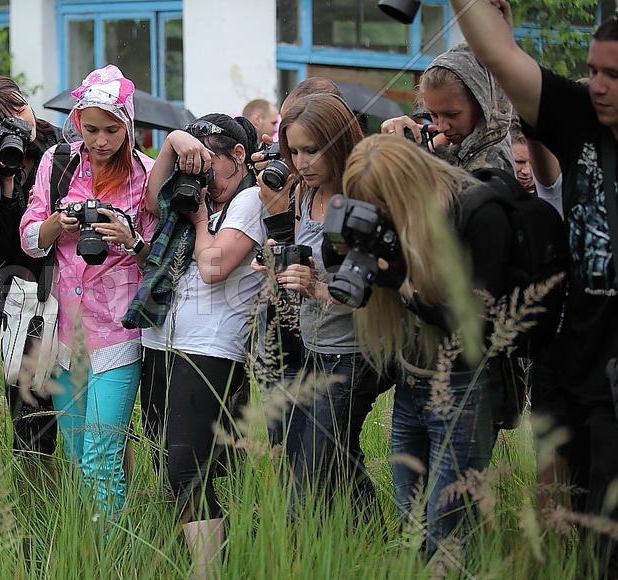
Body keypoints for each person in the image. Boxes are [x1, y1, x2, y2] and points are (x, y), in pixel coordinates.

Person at [449, 1, 618, 575]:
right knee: (589, 526)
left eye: (612, 75)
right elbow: (497, 54)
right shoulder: (580, 119)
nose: (597, 86)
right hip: (583, 361)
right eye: (593, 71)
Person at [340, 134, 510, 558]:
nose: (381, 218)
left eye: (383, 205)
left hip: (464, 387)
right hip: (411, 382)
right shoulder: (400, 226)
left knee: (446, 536)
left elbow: (476, 323)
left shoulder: (475, 212)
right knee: (413, 528)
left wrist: (402, 283)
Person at [19, 65, 155, 519]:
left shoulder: (147, 176)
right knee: (76, 455)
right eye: (90, 128)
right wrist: (60, 220)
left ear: (129, 125)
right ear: (76, 122)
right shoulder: (56, 163)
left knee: (101, 456)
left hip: (118, 334)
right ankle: (90, 547)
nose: (100, 141)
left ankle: (109, 557)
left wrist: (129, 237)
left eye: (112, 130)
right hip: (64, 333)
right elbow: (29, 237)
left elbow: (159, 262)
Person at [138, 113, 265, 578]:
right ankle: (188, 555)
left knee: (186, 467)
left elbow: (213, 266)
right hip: (161, 339)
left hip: (210, 347)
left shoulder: (251, 198)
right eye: (199, 167)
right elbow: (153, 201)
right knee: (161, 453)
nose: (204, 179)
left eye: (212, 167)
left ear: (238, 157)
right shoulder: (197, 193)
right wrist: (173, 143)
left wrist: (199, 219)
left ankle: (209, 569)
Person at [255, 92, 383, 509]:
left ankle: (296, 553)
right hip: (311, 347)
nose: (303, 162)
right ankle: (377, 538)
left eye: (313, 150)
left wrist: (316, 288)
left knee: (308, 476)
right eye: (294, 151)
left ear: (340, 143)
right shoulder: (303, 195)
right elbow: (306, 261)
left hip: (350, 353)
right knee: (338, 461)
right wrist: (278, 266)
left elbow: (375, 293)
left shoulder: (362, 198)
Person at [0, 75, 62, 479]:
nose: (20, 124)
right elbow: (4, 248)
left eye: (20, 110)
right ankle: (40, 502)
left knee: (93, 408)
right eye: (5, 120)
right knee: (30, 413)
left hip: (76, 286)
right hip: (23, 294)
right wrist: (2, 181)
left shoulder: (64, 148)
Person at [380, 43, 514, 173]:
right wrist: (396, 144)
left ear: (481, 105)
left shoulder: (489, 169)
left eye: (452, 114)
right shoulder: (459, 143)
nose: (441, 127)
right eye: (434, 115)